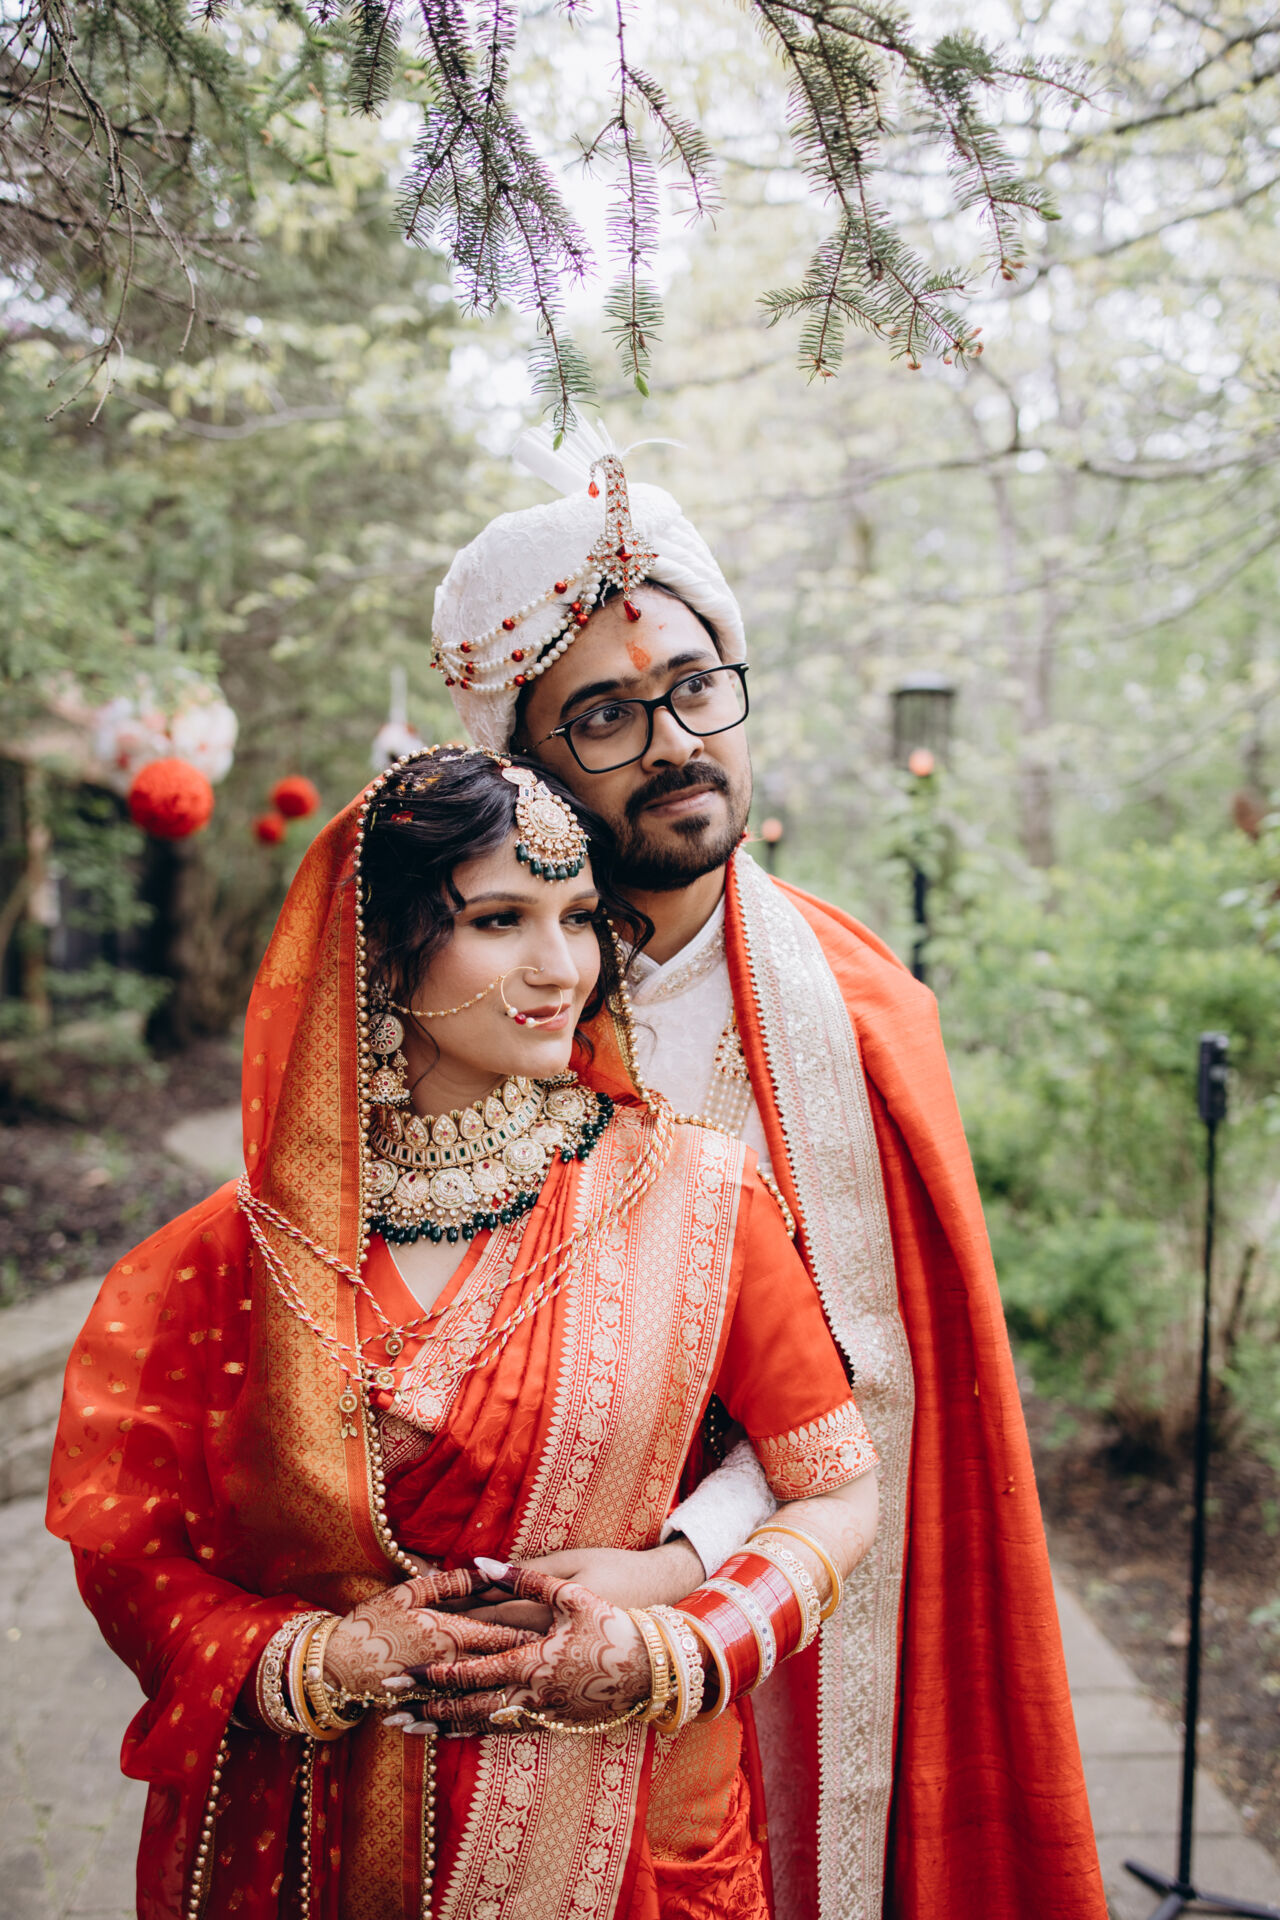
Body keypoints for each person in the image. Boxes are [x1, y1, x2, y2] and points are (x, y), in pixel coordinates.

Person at [426, 424, 1110, 1920]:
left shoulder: (861, 1013)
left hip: (780, 1603)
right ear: (522, 768)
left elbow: (875, 1388)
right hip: (487, 1643)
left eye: (694, 687)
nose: (673, 739)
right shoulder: (454, 1014)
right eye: (604, 715)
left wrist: (682, 1566)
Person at [47, 746, 881, 1920]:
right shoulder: (236, 1254)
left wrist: (674, 1647)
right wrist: (315, 1662)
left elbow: (835, 1488)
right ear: (381, 950)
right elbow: (128, 1549)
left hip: (628, 1838)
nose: (560, 967)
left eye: (579, 918)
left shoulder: (697, 1200)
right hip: (311, 1843)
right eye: (499, 920)